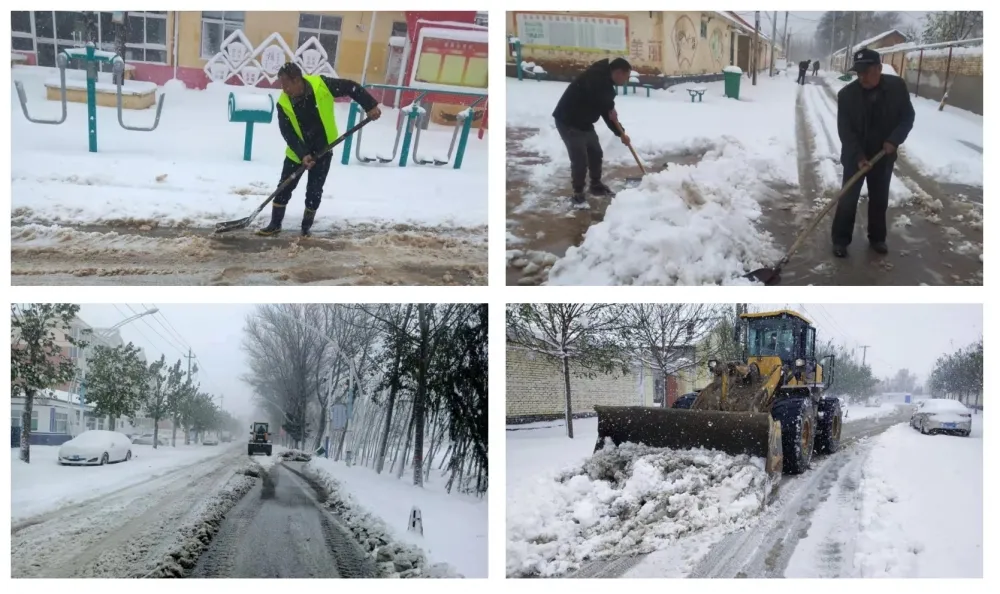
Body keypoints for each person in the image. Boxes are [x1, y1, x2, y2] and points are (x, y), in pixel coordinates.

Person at [258, 62, 382, 236]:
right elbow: (288, 133)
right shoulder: (283, 103)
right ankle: (275, 223)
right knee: (284, 187)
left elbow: (350, 87)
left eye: (286, 84)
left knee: (314, 191)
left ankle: (306, 227)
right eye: (281, 85)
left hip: (324, 148)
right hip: (297, 152)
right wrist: (303, 154)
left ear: (297, 80)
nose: (284, 89)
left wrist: (370, 105)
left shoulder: (321, 85)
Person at [831, 48, 915, 258]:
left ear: (879, 68)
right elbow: (846, 131)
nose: (861, 77)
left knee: (879, 199)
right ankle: (840, 240)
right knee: (848, 198)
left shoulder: (897, 87)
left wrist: (894, 140)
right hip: (855, 157)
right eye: (858, 73)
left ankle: (877, 238)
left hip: (883, 156)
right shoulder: (847, 95)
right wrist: (859, 157)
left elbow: (907, 116)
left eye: (866, 72)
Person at [552, 57, 633, 208]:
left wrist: (620, 133)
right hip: (568, 121)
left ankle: (595, 185)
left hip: (585, 122)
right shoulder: (596, 79)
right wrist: (610, 110)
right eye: (627, 76)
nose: (626, 80)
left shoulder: (605, 82)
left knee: (595, 153)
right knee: (580, 159)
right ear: (619, 73)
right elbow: (605, 106)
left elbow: (607, 112)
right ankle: (578, 194)